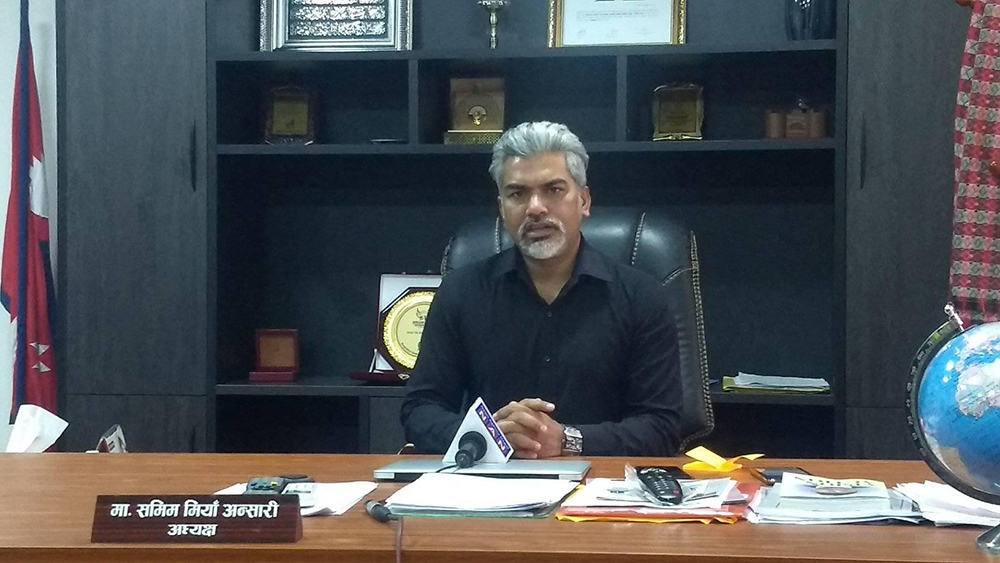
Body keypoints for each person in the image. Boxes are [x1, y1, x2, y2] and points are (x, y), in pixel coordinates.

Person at [400, 121, 682, 457]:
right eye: (517, 194)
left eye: (553, 189)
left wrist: (567, 440)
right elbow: (420, 409)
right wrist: (489, 434)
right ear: (502, 208)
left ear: (584, 201)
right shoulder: (461, 291)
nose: (535, 207)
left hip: (601, 482)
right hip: (489, 479)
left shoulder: (640, 297)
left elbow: (662, 426)